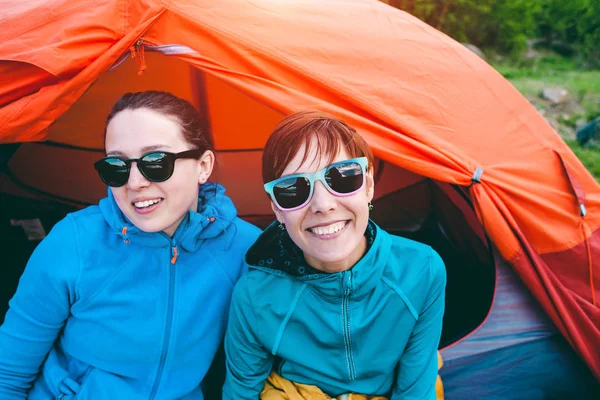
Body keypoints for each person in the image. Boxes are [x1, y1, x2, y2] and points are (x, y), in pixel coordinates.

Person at [0, 91, 260, 399]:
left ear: (203, 166)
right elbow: (8, 374)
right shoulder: (73, 241)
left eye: (156, 161)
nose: (134, 182)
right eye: (117, 166)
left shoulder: (245, 248)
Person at [223, 111, 447, 400]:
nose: (322, 204)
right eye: (293, 189)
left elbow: (415, 390)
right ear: (278, 209)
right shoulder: (254, 296)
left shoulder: (421, 270)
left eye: (342, 177)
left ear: (368, 185)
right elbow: (240, 394)